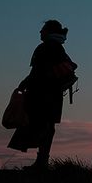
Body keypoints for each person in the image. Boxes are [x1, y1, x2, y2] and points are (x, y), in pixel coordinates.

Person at [8, 19, 77, 170]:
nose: (40, 32)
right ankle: (42, 161)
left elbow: (36, 72)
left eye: (43, 29)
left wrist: (23, 84)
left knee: (41, 125)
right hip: (54, 94)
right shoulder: (58, 48)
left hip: (41, 93)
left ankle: (41, 163)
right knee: (47, 126)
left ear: (49, 31)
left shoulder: (44, 48)